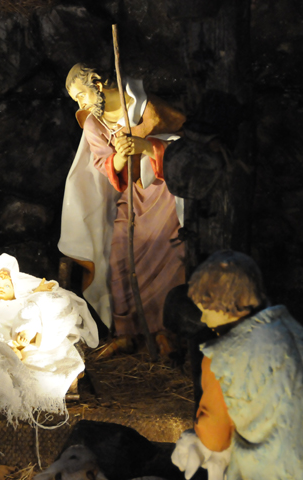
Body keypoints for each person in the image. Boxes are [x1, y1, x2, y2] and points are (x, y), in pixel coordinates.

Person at [172, 250, 303, 480]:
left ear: (224, 306)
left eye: (206, 311)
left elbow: (214, 437)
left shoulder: (224, 357)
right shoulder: (299, 335)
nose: (204, 320)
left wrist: (196, 437)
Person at [59, 63, 186, 357]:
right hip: (131, 195)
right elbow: (105, 165)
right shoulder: (94, 124)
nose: (81, 105)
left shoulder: (145, 105)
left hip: (164, 194)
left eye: (81, 96)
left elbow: (181, 143)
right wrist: (120, 156)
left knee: (169, 258)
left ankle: (164, 331)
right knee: (119, 257)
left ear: (97, 85)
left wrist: (146, 146)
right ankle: (126, 331)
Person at [0, 253, 99, 425]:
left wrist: (37, 295)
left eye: (7, 285)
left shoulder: (20, 303)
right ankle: (9, 352)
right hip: (1, 334)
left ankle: (23, 343)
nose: (2, 287)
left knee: (35, 311)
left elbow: (34, 307)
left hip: (22, 329)